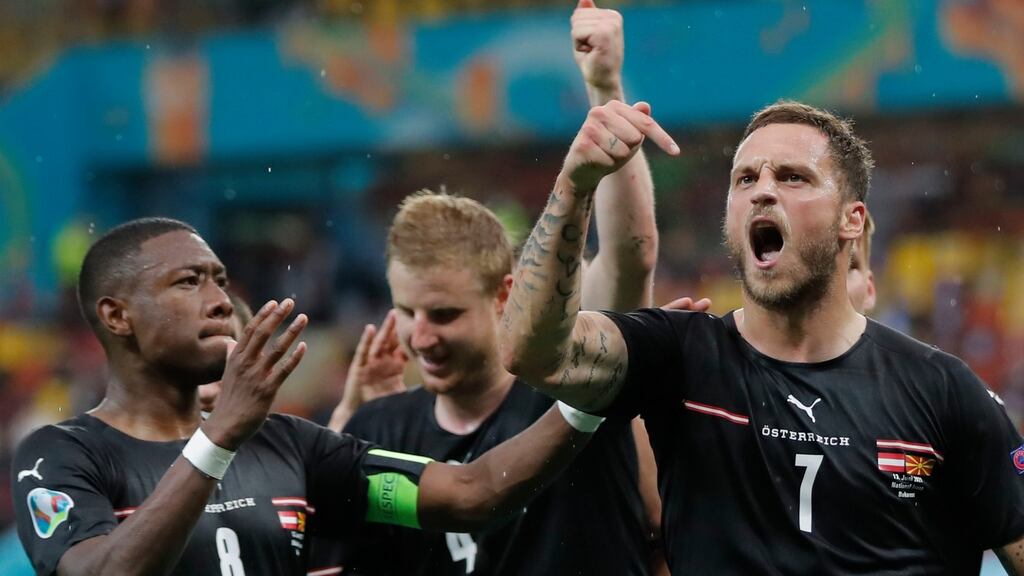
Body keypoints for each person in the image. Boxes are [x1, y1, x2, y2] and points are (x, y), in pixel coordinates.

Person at [499, 99, 1024, 574]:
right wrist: (574, 183)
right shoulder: (680, 356)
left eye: (793, 177)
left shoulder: (943, 390)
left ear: (851, 219)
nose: (763, 190)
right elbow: (531, 351)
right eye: (745, 179)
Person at [10, 217, 603, 576]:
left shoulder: (290, 447)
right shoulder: (61, 455)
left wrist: (590, 398)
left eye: (220, 278)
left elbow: (471, 493)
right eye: (188, 282)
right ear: (117, 316)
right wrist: (217, 439)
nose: (219, 299)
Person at [323, 4, 668, 575]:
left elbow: (631, 260)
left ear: (505, 295)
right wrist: (342, 430)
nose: (422, 336)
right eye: (406, 311)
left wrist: (604, 88)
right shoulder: (378, 429)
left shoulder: (571, 378)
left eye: (445, 313)